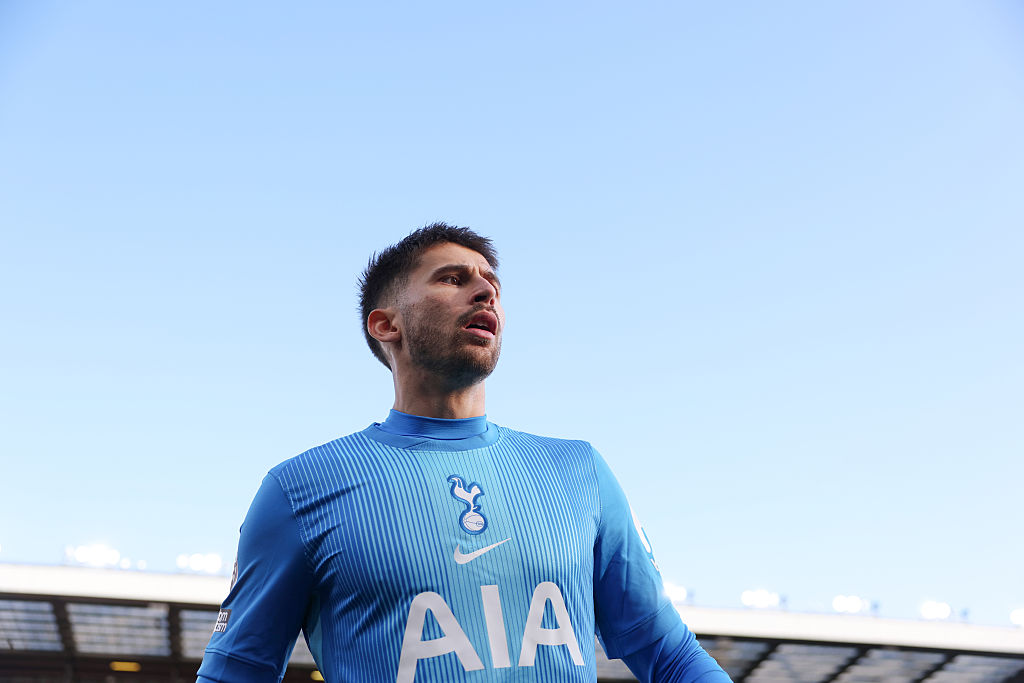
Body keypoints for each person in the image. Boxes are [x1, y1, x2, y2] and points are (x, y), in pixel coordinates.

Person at [196, 223, 731, 683]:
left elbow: (670, 655)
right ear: (387, 325)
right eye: (453, 278)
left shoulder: (578, 471)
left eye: (492, 282)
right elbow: (235, 671)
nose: (485, 291)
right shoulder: (300, 489)